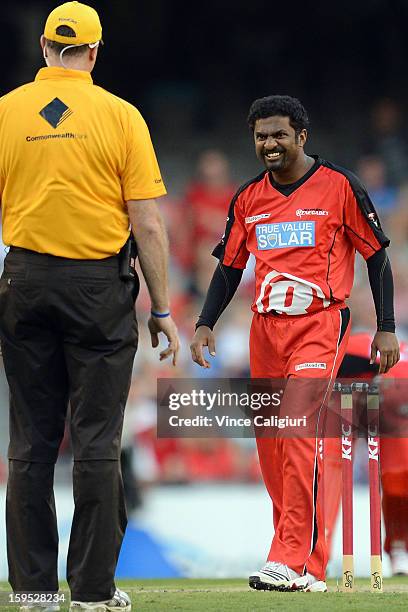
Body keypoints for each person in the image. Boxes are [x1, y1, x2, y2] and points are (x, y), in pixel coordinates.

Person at [0, 2, 179, 611]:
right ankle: (94, 593)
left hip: (23, 281)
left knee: (29, 441)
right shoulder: (120, 116)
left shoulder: (4, 113)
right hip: (98, 289)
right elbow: (148, 223)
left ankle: (31, 590)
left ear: (44, 46)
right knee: (98, 440)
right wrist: (161, 307)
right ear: (96, 53)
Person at [190, 95, 400, 592]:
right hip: (265, 331)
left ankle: (286, 556)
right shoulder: (247, 198)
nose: (269, 144)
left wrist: (387, 325)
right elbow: (229, 268)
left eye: (279, 134)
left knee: (297, 430)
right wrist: (204, 323)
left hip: (318, 324)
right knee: (271, 447)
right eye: (261, 136)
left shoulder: (341, 187)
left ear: (301, 136)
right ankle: (308, 564)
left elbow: (378, 258)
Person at [324, 333, 408, 576]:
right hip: (344, 395)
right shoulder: (356, 348)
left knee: (397, 479)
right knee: (328, 470)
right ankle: (318, 551)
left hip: (389, 406)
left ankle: (400, 545)